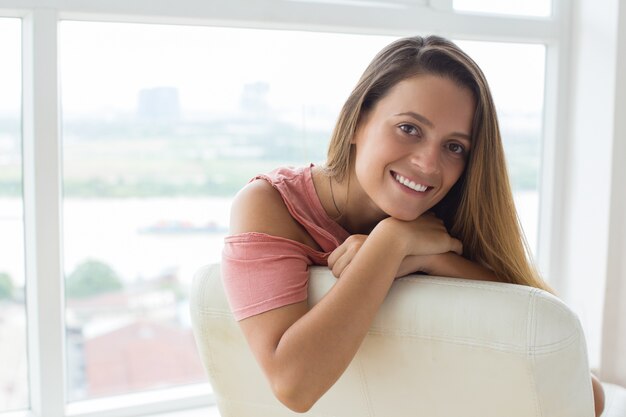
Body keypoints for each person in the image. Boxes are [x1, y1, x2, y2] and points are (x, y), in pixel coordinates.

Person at [221, 35, 604, 416]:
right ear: (356, 122)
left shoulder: (446, 223)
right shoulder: (270, 205)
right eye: (409, 128)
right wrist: (390, 244)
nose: (428, 164)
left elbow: (585, 396)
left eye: (454, 147)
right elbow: (294, 385)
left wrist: (433, 262)